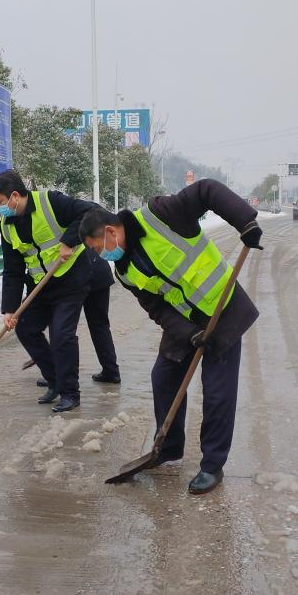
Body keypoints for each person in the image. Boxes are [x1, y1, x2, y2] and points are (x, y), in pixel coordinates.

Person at [78, 179, 263, 494]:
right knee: (164, 377)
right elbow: (157, 309)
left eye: (98, 249)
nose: (100, 256)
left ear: (110, 232)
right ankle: (169, 447)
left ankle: (212, 466)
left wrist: (245, 221)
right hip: (186, 322)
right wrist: (190, 335)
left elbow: (206, 190)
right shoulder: (123, 271)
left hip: (223, 308)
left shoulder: (161, 214)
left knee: (217, 392)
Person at [0, 170, 98, 413]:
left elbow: (91, 211)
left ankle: (70, 393)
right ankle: (55, 380)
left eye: (0, 202)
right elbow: (13, 270)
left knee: (61, 335)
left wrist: (69, 240)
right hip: (41, 285)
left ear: (14, 196)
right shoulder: (7, 227)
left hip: (71, 279)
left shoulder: (50, 202)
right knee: (26, 328)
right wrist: (10, 309)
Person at [34, 249, 121, 388]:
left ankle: (58, 374)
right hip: (98, 269)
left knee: (62, 326)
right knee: (99, 324)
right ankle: (111, 370)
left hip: (77, 277)